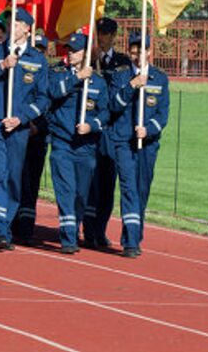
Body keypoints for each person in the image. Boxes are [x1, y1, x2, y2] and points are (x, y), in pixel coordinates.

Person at [0, 8, 49, 250]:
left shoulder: (37, 59)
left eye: (17, 23)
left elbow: (43, 99)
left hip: (19, 127)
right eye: (9, 22)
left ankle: (4, 223)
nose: (11, 27)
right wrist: (1, 67)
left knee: (14, 177)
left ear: (28, 28)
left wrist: (22, 118)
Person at [47, 33, 109, 254]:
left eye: (75, 50)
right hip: (63, 144)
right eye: (69, 50)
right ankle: (68, 238)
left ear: (85, 53)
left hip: (86, 147)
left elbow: (105, 114)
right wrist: (77, 77)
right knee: (66, 191)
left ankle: (74, 228)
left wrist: (91, 126)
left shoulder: (99, 82)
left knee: (81, 194)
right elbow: (53, 92)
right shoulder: (58, 74)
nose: (70, 54)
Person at [109, 33, 169, 258]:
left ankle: (133, 235)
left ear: (149, 52)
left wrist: (148, 129)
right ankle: (131, 243)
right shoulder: (121, 76)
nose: (136, 56)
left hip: (148, 144)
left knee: (141, 191)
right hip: (123, 141)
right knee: (129, 189)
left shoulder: (159, 78)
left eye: (141, 51)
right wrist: (132, 86)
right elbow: (114, 105)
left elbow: (163, 115)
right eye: (133, 52)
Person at [84, 17, 131, 248]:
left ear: (113, 36)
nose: (101, 37)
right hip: (91, 129)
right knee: (89, 182)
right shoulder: (88, 61)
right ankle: (88, 229)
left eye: (105, 33)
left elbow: (121, 96)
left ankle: (100, 230)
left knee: (106, 184)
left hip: (112, 131)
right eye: (99, 33)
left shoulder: (122, 62)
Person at [13, 34, 51, 243]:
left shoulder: (47, 73)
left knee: (32, 183)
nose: (38, 52)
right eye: (35, 48)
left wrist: (38, 126)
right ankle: (12, 223)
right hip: (19, 132)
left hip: (37, 137)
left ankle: (26, 228)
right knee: (16, 178)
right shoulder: (19, 72)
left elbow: (51, 107)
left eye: (42, 49)